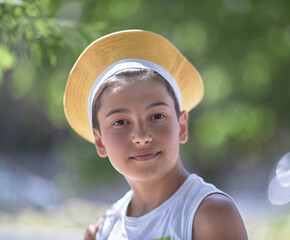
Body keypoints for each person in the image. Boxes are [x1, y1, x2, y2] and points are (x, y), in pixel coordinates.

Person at [64, 30, 248, 240]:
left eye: (157, 116)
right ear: (99, 141)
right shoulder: (102, 232)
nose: (141, 136)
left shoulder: (208, 215)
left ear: (181, 126)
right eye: (121, 122)